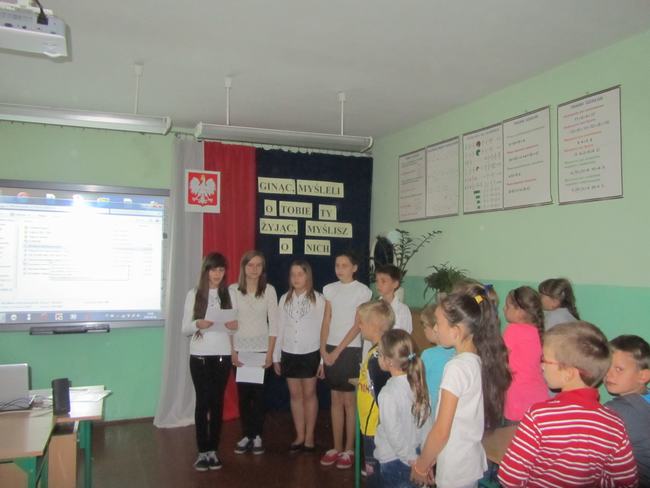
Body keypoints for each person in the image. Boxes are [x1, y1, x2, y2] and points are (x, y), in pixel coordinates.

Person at [498, 322, 639, 487]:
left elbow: (509, 477)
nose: (541, 366)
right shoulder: (614, 424)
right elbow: (627, 483)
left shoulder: (539, 416)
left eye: (545, 360)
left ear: (569, 373)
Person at [411, 284, 511, 488]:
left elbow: (441, 431)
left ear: (456, 331)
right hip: (467, 459)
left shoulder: (456, 368)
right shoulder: (476, 359)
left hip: (455, 467)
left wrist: (421, 466)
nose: (435, 328)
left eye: (438, 323)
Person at [181, 252, 238, 471]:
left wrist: (234, 326)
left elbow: (233, 326)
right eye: (213, 269)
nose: (217, 274)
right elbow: (185, 328)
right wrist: (198, 324)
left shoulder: (228, 293)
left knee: (217, 403)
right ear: (206, 270)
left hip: (222, 355)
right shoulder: (194, 293)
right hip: (200, 356)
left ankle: (213, 450)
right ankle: (202, 451)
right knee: (202, 402)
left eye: (221, 270)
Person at [320, 251, 372, 469]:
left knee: (349, 402)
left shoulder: (362, 291)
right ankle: (336, 446)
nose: (340, 269)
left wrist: (337, 351)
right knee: (335, 400)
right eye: (337, 265)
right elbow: (326, 320)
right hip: (330, 348)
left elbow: (357, 325)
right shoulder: (329, 289)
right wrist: (323, 351)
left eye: (344, 265)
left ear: (354, 268)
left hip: (349, 350)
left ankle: (349, 449)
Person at [272, 260, 325, 453]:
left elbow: (323, 330)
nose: (296, 278)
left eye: (300, 274)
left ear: (308, 276)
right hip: (289, 352)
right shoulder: (284, 299)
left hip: (310, 352)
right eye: (293, 274)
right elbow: (279, 328)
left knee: (309, 394)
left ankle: (309, 437)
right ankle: (299, 435)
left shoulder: (319, 299)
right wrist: (276, 356)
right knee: (295, 395)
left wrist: (322, 360)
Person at [229, 250, 278, 455]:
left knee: (259, 396)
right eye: (250, 265)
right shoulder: (233, 290)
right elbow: (230, 323)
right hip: (240, 350)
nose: (254, 269)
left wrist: (270, 353)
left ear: (262, 268)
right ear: (243, 267)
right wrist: (232, 351)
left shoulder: (269, 290)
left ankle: (257, 435)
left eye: (258, 265)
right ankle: (246, 434)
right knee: (243, 395)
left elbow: (274, 324)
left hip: (261, 350)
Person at [375, 328, 432, 488]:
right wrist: (423, 460)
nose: (377, 357)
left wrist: (412, 459)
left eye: (379, 354)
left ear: (389, 361)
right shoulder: (418, 385)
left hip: (395, 461)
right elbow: (426, 424)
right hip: (416, 456)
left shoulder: (387, 393)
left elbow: (394, 434)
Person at [356, 300, 395, 487]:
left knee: (375, 479)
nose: (359, 326)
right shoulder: (374, 352)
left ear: (374, 326)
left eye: (361, 322)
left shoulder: (378, 358)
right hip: (369, 426)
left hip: (375, 429)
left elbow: (382, 397)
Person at [605, 334, 650, 486]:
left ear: (643, 376)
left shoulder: (614, 411)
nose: (608, 374)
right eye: (607, 366)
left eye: (619, 369)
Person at [502, 286, 549, 423]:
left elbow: (499, 358)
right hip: (540, 395)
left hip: (518, 397)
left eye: (508, 306)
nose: (504, 309)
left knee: (512, 434)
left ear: (520, 312)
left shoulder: (513, 330)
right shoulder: (537, 331)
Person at [419, 304, 454, 415]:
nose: (424, 331)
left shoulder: (428, 355)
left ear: (435, 327)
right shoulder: (457, 351)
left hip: (432, 410)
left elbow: (419, 384)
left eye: (425, 327)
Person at [374, 264, 412, 333]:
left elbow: (406, 334)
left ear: (395, 284)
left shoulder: (403, 310)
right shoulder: (373, 307)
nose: (378, 285)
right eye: (377, 281)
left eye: (383, 281)